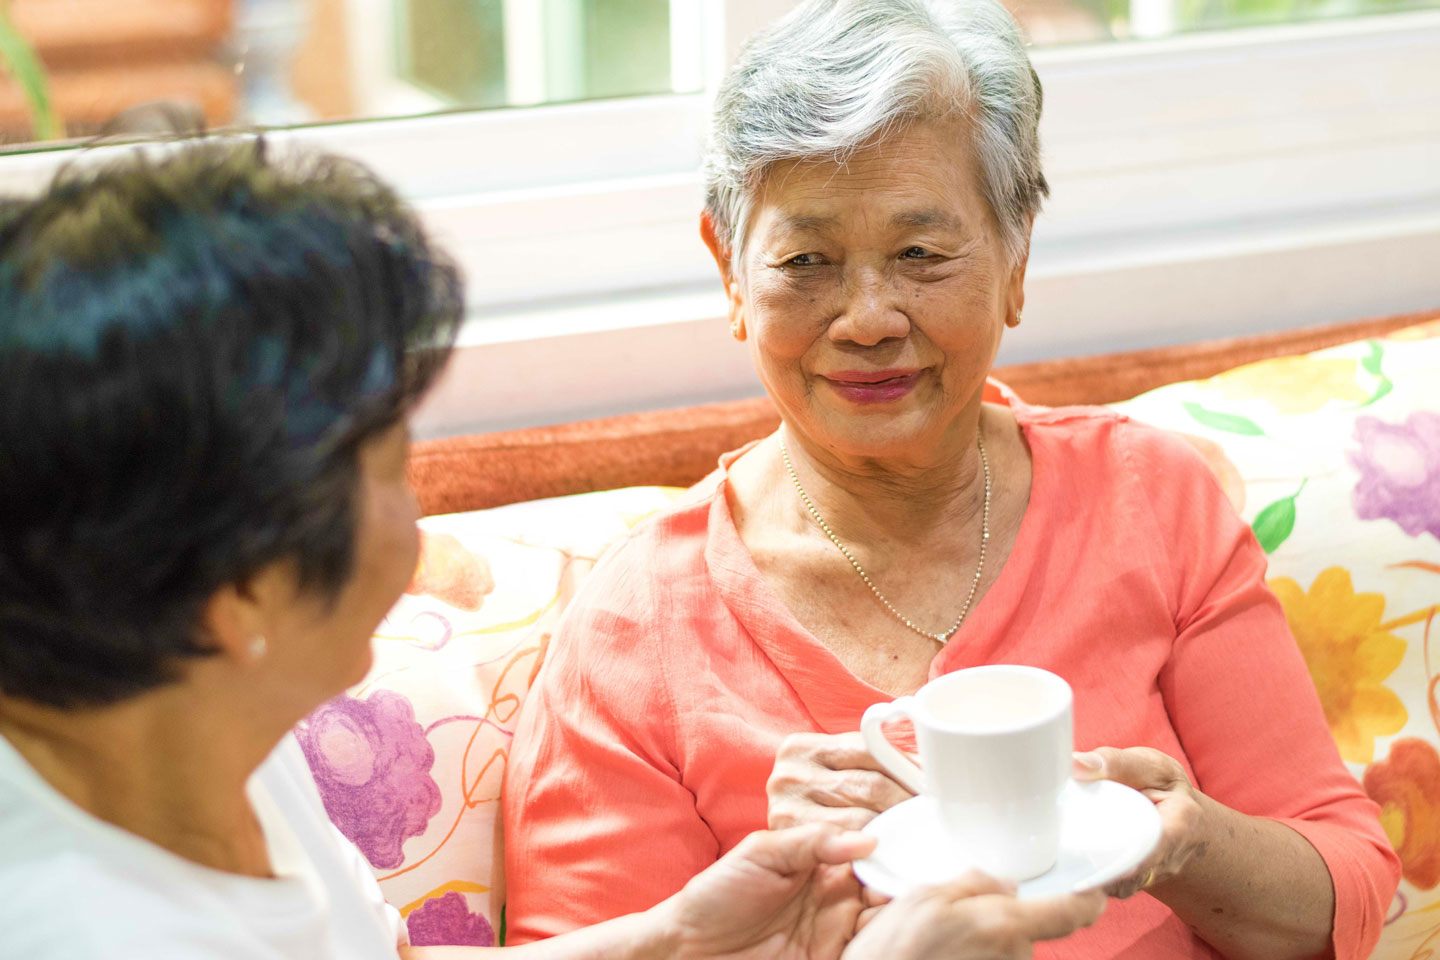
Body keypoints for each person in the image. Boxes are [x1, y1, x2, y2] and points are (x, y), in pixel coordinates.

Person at [0, 139, 1105, 960]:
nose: (419, 519)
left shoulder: (184, 709)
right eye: (388, 471)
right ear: (239, 587)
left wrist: (673, 936)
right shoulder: (78, 926)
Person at [501, 1, 1402, 957]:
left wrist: (1181, 843)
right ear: (731, 273)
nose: (868, 318)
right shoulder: (633, 634)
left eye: (921, 254)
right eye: (806, 261)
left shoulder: (1151, 497)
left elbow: (1344, 887)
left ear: (1016, 258)